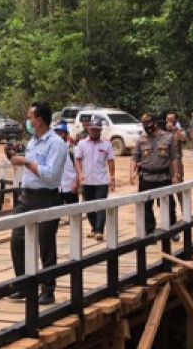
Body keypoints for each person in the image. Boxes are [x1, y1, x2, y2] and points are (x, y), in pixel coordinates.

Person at [7, 101, 67, 306]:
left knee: (46, 243)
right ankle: (23, 285)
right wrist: (16, 157)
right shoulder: (32, 141)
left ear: (40, 119)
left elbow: (51, 176)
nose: (28, 121)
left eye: (30, 117)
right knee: (17, 239)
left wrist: (25, 162)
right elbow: (30, 168)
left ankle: (48, 290)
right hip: (27, 196)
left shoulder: (57, 144)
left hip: (47, 197)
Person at [131, 113, 181, 235]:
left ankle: (172, 230)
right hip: (146, 177)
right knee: (146, 206)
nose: (147, 127)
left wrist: (175, 175)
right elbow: (134, 158)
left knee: (168, 205)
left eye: (149, 124)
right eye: (144, 124)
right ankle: (149, 231)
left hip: (163, 177)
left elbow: (174, 158)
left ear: (155, 123)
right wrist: (132, 173)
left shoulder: (168, 137)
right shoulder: (141, 140)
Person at [75, 117, 116, 240]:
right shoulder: (82, 144)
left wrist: (112, 176)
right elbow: (77, 160)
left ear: (100, 130)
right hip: (86, 181)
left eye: (96, 130)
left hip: (101, 180)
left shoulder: (106, 144)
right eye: (92, 129)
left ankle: (99, 230)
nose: (94, 131)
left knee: (100, 205)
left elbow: (111, 161)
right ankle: (93, 228)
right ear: (88, 129)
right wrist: (80, 173)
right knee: (88, 206)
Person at [55, 122, 80, 207]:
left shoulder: (72, 150)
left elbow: (79, 169)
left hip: (70, 187)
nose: (59, 135)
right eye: (57, 133)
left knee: (74, 215)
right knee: (54, 215)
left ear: (66, 134)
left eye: (61, 133)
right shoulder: (53, 150)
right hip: (57, 189)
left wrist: (76, 184)